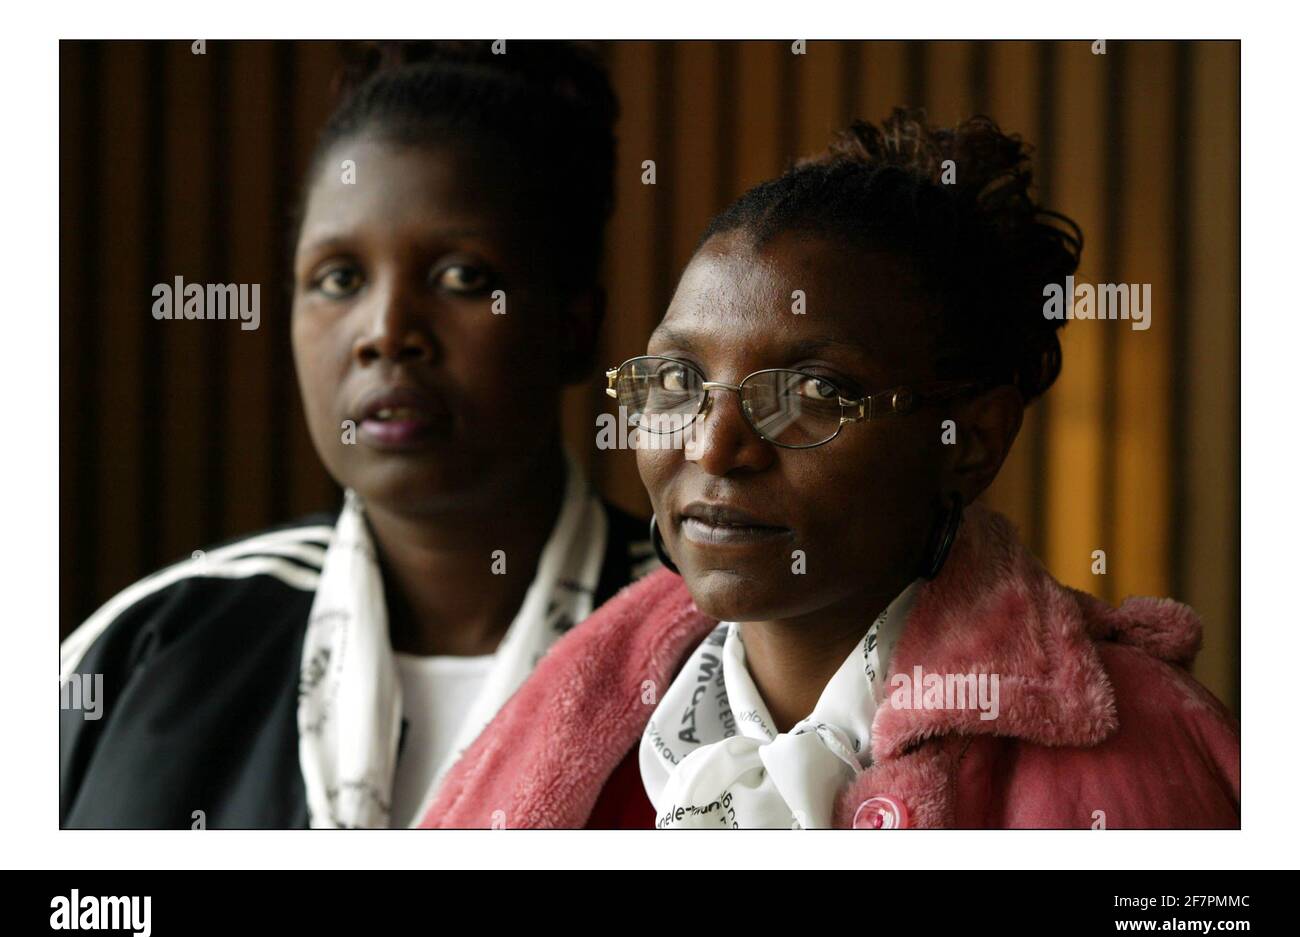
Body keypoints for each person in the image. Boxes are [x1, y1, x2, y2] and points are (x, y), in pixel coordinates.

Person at [420, 109, 1240, 829]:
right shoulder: (582, 730)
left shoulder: (1137, 749)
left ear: (972, 439)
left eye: (814, 392)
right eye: (677, 381)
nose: (714, 446)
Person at [60, 41, 657, 828]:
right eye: (340, 279)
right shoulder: (142, 648)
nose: (386, 333)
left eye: (462, 277)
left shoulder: (712, 641)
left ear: (574, 326)